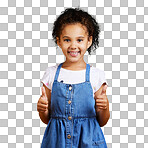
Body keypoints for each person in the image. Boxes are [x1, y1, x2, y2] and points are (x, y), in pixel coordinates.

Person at [37, 8, 110, 148]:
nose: (73, 46)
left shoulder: (96, 75)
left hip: (89, 142)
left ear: (89, 41)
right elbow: (46, 119)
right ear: (58, 41)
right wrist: (42, 109)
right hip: (56, 142)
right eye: (67, 40)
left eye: (79, 40)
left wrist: (104, 107)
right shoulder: (51, 73)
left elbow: (102, 121)